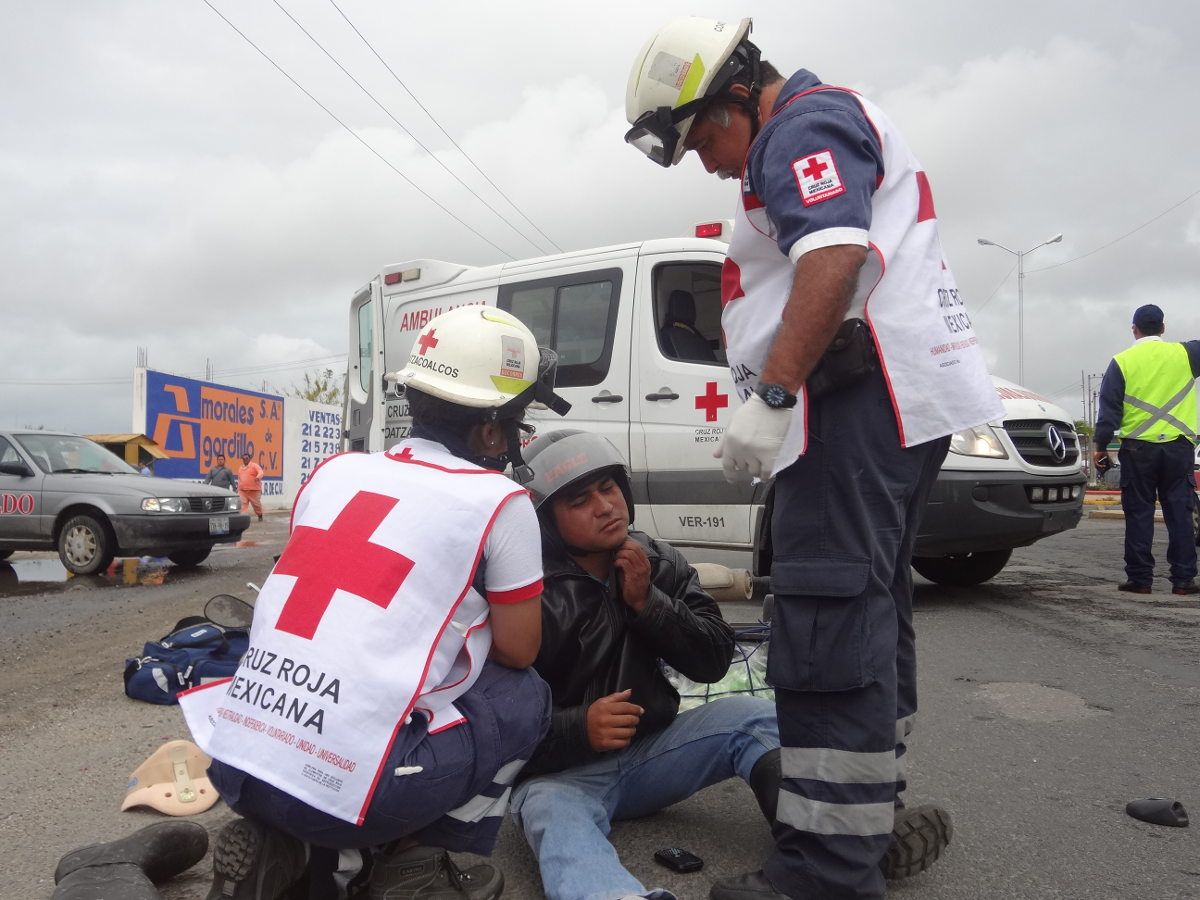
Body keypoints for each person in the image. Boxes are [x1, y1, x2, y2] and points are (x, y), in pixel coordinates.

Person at [625, 18, 1003, 899]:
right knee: (865, 610)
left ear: (736, 96)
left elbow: (833, 253)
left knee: (827, 617)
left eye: (704, 140)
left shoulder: (800, 126)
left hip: (852, 404)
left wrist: (772, 394)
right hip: (881, 406)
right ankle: (863, 823)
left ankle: (826, 870)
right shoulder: (817, 122)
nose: (708, 164)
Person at [178, 305, 570, 900]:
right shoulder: (499, 501)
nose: (520, 436)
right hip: (341, 790)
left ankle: (303, 852)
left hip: (236, 766)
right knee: (525, 696)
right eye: (518, 422)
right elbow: (520, 649)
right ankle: (418, 864)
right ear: (492, 432)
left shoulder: (335, 471)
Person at [510, 430, 781, 900]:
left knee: (759, 719)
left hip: (653, 752)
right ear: (546, 519)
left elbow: (714, 660)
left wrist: (648, 602)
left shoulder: (656, 559)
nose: (604, 507)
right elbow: (494, 724)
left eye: (609, 489)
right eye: (580, 500)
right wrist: (577, 728)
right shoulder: (522, 586)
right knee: (552, 812)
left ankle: (830, 841)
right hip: (557, 776)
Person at [1092, 303, 1200, 595]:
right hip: (1178, 447)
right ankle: (1183, 580)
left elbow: (1109, 410)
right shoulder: (1186, 353)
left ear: (1134, 330)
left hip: (1138, 449)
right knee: (1180, 512)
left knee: (1139, 512)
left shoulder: (1122, 361)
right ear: (1163, 328)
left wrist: (1100, 446)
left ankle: (1140, 580)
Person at [236, 452, 265, 521]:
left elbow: (261, 472)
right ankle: (243, 518)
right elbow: (239, 479)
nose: (245, 459)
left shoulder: (254, 465)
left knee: (256, 505)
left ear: (250, 458)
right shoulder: (241, 468)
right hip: (242, 491)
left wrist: (258, 477)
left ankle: (260, 515)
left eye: (246, 458)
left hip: (254, 491)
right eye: (243, 458)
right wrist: (238, 488)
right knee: (242, 505)